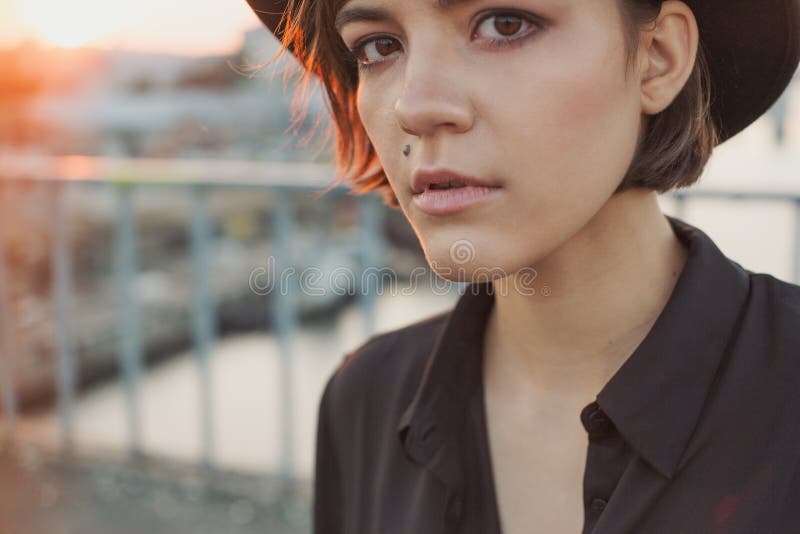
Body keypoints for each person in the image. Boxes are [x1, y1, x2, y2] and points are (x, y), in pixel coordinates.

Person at [245, 0, 800, 532]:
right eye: (378, 46)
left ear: (659, 57)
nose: (413, 107)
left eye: (505, 24)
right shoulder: (364, 401)